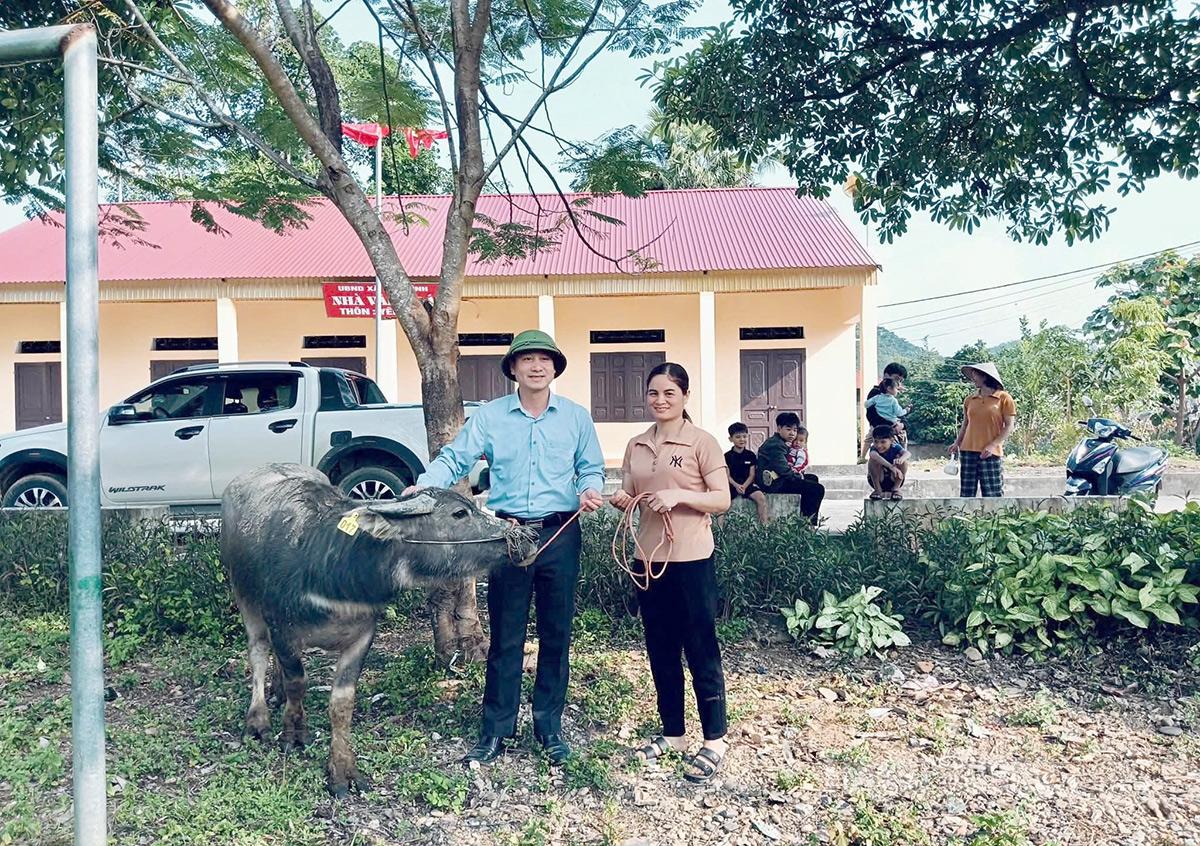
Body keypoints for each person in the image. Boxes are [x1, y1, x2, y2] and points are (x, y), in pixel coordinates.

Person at [406, 330, 605, 766]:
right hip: (507, 538)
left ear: (555, 368)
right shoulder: (491, 417)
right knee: (506, 636)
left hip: (560, 534)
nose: (537, 366)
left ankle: (549, 727)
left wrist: (590, 489)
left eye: (545, 359)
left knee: (556, 635)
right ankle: (495, 731)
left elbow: (591, 468)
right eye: (527, 359)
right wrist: (423, 487)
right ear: (513, 369)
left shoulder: (575, 417)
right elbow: (455, 459)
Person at [609, 363, 732, 783]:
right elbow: (631, 489)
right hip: (649, 559)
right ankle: (674, 733)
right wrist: (623, 499)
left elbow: (722, 499)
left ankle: (715, 738)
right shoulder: (637, 444)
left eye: (669, 393)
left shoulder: (702, 442)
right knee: (660, 647)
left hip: (692, 559)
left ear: (684, 396)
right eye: (653, 393)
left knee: (700, 645)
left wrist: (678, 494)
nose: (660, 400)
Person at [950, 362, 1016, 497]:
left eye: (975, 376)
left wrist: (993, 445)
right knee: (966, 494)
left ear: (985, 377)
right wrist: (957, 443)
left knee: (993, 494)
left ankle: (994, 518)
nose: (973, 379)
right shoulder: (970, 400)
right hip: (968, 450)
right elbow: (966, 423)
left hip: (990, 452)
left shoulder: (1004, 398)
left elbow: (1009, 426)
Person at [756, 412, 825, 524]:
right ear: (779, 429)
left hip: (780, 478)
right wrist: (799, 476)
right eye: (788, 429)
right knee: (817, 489)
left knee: (813, 478)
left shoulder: (782, 442)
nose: (792, 433)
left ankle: (803, 517)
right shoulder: (776, 445)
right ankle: (807, 525)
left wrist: (799, 475)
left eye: (795, 430)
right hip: (774, 483)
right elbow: (783, 470)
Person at [723, 422, 769, 525]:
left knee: (761, 498)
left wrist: (744, 486)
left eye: (744, 436)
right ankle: (719, 532)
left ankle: (765, 530)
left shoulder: (750, 455)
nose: (742, 439)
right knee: (722, 504)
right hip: (732, 485)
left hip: (747, 485)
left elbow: (752, 475)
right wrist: (736, 486)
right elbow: (727, 475)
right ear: (731, 439)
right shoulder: (727, 456)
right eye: (738, 437)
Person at [866, 424, 910, 500]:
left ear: (892, 441)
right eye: (876, 442)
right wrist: (891, 467)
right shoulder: (874, 448)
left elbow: (908, 453)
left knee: (903, 461)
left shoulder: (895, 446)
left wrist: (901, 460)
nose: (879, 445)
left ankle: (896, 489)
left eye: (883, 442)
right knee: (873, 460)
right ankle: (877, 490)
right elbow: (873, 455)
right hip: (879, 479)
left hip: (894, 478)